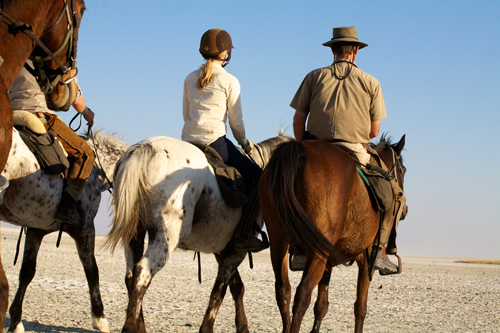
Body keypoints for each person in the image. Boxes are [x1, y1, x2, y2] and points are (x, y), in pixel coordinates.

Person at [290, 26, 406, 275]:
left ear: (332, 50)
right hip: (355, 148)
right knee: (393, 194)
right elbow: (375, 132)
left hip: (313, 146)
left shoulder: (313, 77)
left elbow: (298, 121)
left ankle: (298, 248)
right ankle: (380, 252)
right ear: (355, 51)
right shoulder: (371, 82)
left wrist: (303, 148)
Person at [182, 28, 267, 252]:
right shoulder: (229, 80)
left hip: (188, 141)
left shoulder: (190, 77)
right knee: (261, 179)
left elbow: (185, 114)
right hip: (216, 142)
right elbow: (236, 123)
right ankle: (246, 232)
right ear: (226, 53)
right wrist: (245, 143)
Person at [9, 61, 95, 226]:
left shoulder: (12, 52)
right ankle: (67, 208)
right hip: (38, 112)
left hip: (9, 112)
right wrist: (86, 112)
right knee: (86, 154)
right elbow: (74, 98)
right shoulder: (48, 55)